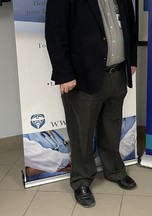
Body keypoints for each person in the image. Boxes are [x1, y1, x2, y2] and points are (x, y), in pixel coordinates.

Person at [45, 0, 138, 208]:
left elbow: (130, 25)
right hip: (82, 77)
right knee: (82, 133)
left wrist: (132, 60)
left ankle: (114, 171)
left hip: (117, 73)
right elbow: (55, 31)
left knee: (112, 127)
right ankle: (81, 181)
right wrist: (64, 74)